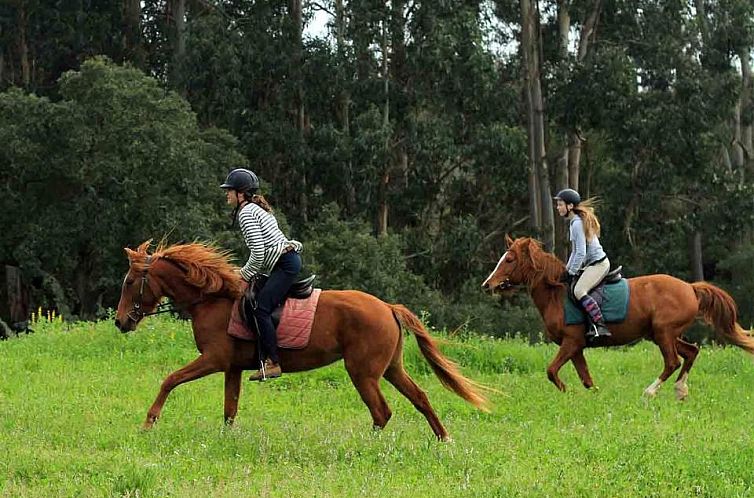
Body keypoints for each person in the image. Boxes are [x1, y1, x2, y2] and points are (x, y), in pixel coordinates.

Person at [221, 168, 303, 380]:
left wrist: (244, 276)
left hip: (284, 265)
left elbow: (258, 252)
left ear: (241, 193)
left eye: (229, 191)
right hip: (283, 262)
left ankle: (273, 362)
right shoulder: (254, 209)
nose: (226, 195)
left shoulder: (246, 213)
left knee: (261, 309)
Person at [554, 188, 611, 340]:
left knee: (579, 291)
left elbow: (581, 253)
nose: (557, 207)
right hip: (591, 264)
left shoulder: (577, 224)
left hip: (598, 264)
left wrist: (571, 272)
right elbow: (574, 252)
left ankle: (600, 326)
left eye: (560, 204)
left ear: (570, 206)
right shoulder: (574, 222)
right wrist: (566, 270)